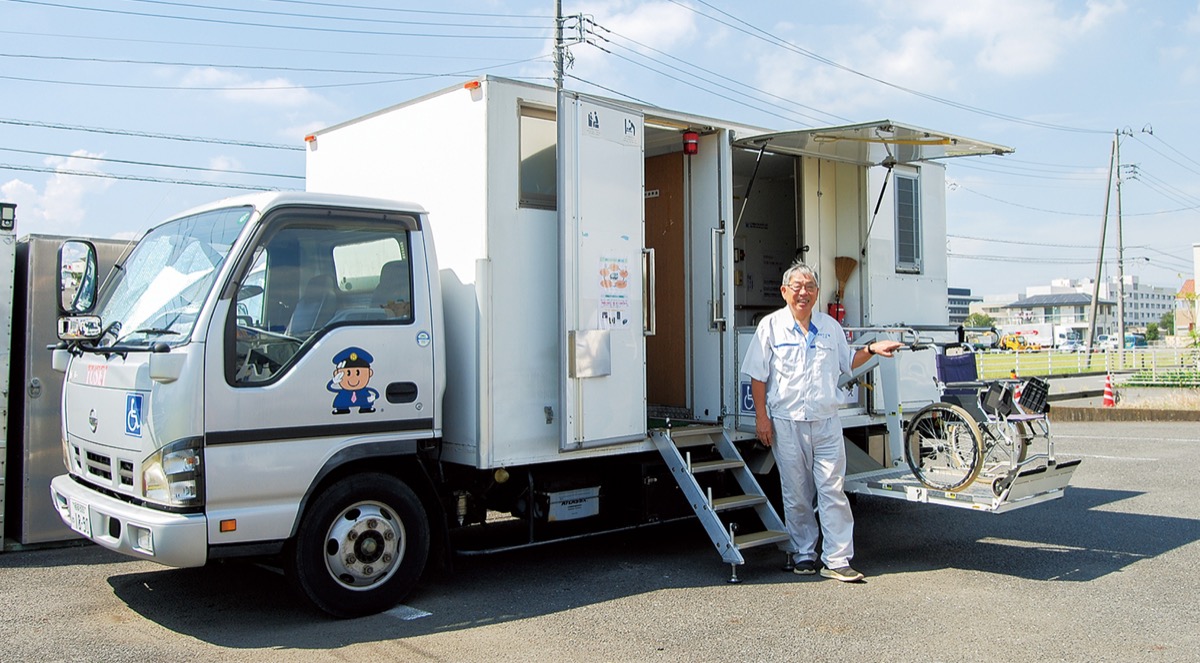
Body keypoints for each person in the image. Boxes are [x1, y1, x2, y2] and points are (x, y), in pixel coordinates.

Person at [740, 261, 902, 582]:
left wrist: (871, 348)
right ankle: (803, 552)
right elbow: (757, 377)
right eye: (797, 287)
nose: (804, 293)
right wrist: (762, 418)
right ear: (785, 292)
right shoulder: (770, 327)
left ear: (816, 292)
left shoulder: (830, 327)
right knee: (796, 491)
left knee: (833, 489)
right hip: (787, 422)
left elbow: (848, 363)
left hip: (827, 421)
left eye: (810, 287)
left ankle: (837, 559)